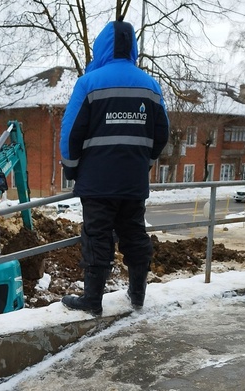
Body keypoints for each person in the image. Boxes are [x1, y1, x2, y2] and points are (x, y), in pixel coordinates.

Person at [59, 17, 169, 315]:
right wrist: (142, 162)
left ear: (101, 47)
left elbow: (71, 133)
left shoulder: (89, 83)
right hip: (133, 183)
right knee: (134, 234)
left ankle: (92, 300)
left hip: (97, 183)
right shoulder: (151, 86)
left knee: (97, 236)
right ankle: (137, 295)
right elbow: (162, 135)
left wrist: (71, 169)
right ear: (132, 47)